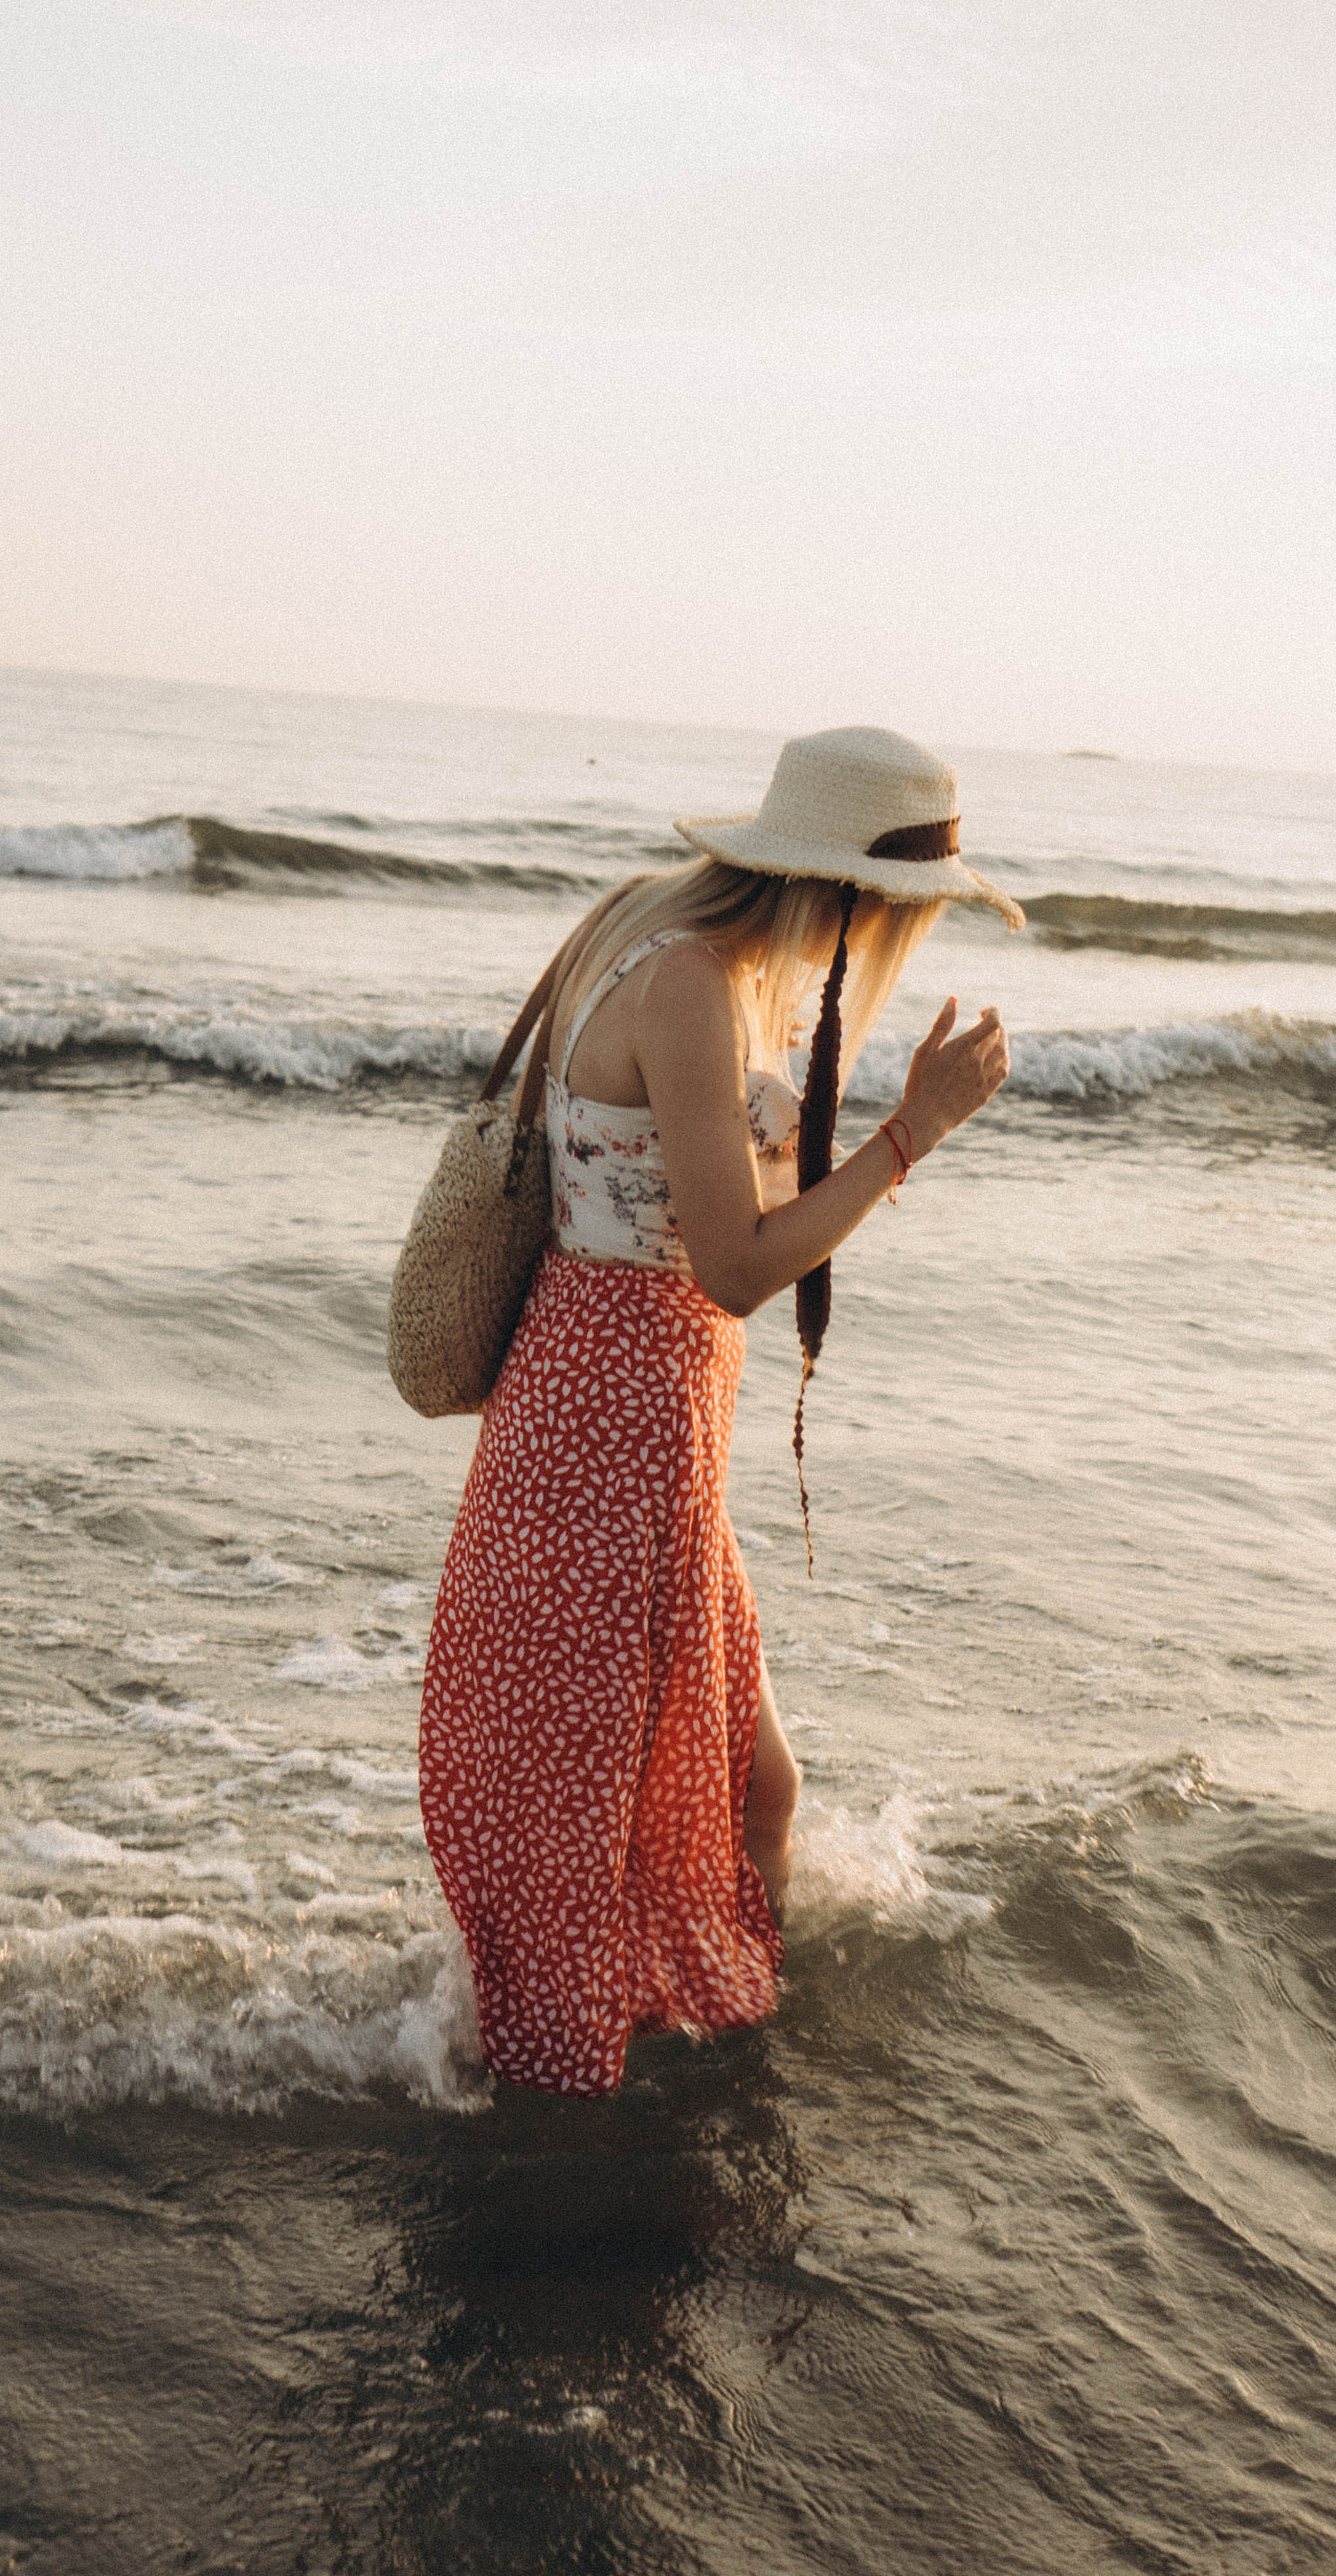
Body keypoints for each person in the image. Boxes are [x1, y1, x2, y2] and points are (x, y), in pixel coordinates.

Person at [419, 727, 1020, 2095]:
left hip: (641, 1420)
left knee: (751, 1793)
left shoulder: (660, 926)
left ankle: (722, 2059)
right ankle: (569, 2141)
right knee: (582, 1828)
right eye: (905, 916)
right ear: (856, 894)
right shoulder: (688, 983)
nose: (899, 945)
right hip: (610, 1422)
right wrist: (912, 1130)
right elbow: (738, 1266)